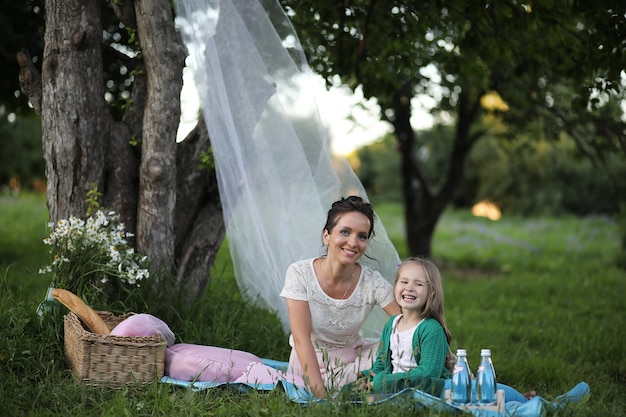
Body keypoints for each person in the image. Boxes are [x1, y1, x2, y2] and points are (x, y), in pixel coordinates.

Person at [345, 257, 535, 403]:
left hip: (435, 388)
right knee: (349, 393)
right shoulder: (391, 324)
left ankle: (520, 399)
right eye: (404, 282)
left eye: (418, 284)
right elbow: (381, 364)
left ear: (431, 293)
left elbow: (428, 373)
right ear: (395, 286)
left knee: (481, 392)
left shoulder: (431, 329)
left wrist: (384, 382)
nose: (409, 288)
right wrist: (367, 377)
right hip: (399, 387)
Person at [280, 195, 402, 399]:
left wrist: (442, 352)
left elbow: (407, 323)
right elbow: (301, 340)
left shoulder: (371, 281)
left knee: (396, 352)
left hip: (356, 356)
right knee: (388, 373)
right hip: (311, 365)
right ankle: (359, 385)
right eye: (345, 232)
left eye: (362, 236)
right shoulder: (300, 273)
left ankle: (367, 382)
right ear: (326, 236)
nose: (353, 243)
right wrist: (320, 397)